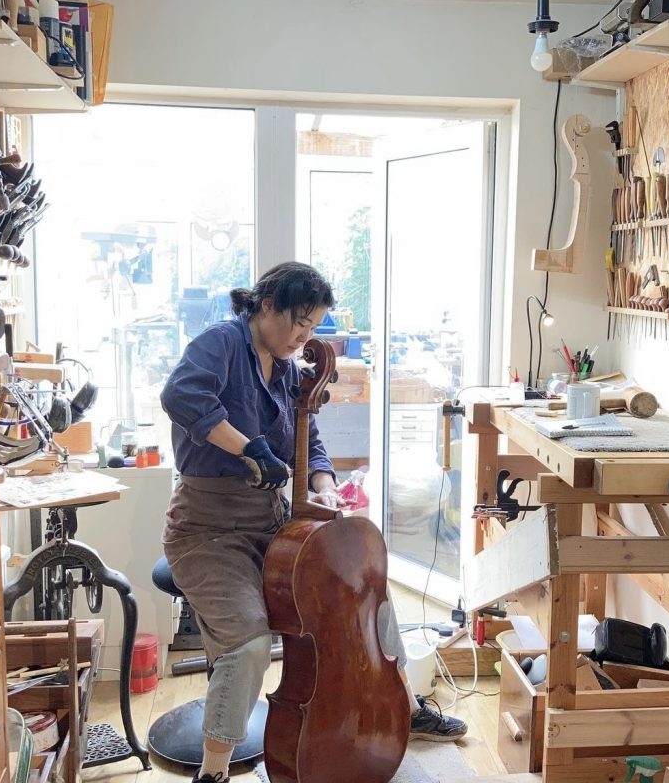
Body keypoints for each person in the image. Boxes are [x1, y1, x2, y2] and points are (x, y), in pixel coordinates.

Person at [160, 262, 467, 783]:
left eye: (311, 329)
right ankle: (212, 774)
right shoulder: (221, 344)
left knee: (367, 590)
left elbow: (312, 442)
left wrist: (326, 486)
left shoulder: (287, 369)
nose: (303, 338)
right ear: (267, 306)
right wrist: (249, 448)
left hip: (272, 523)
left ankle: (406, 706)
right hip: (207, 529)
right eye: (297, 325)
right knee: (250, 645)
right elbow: (181, 397)